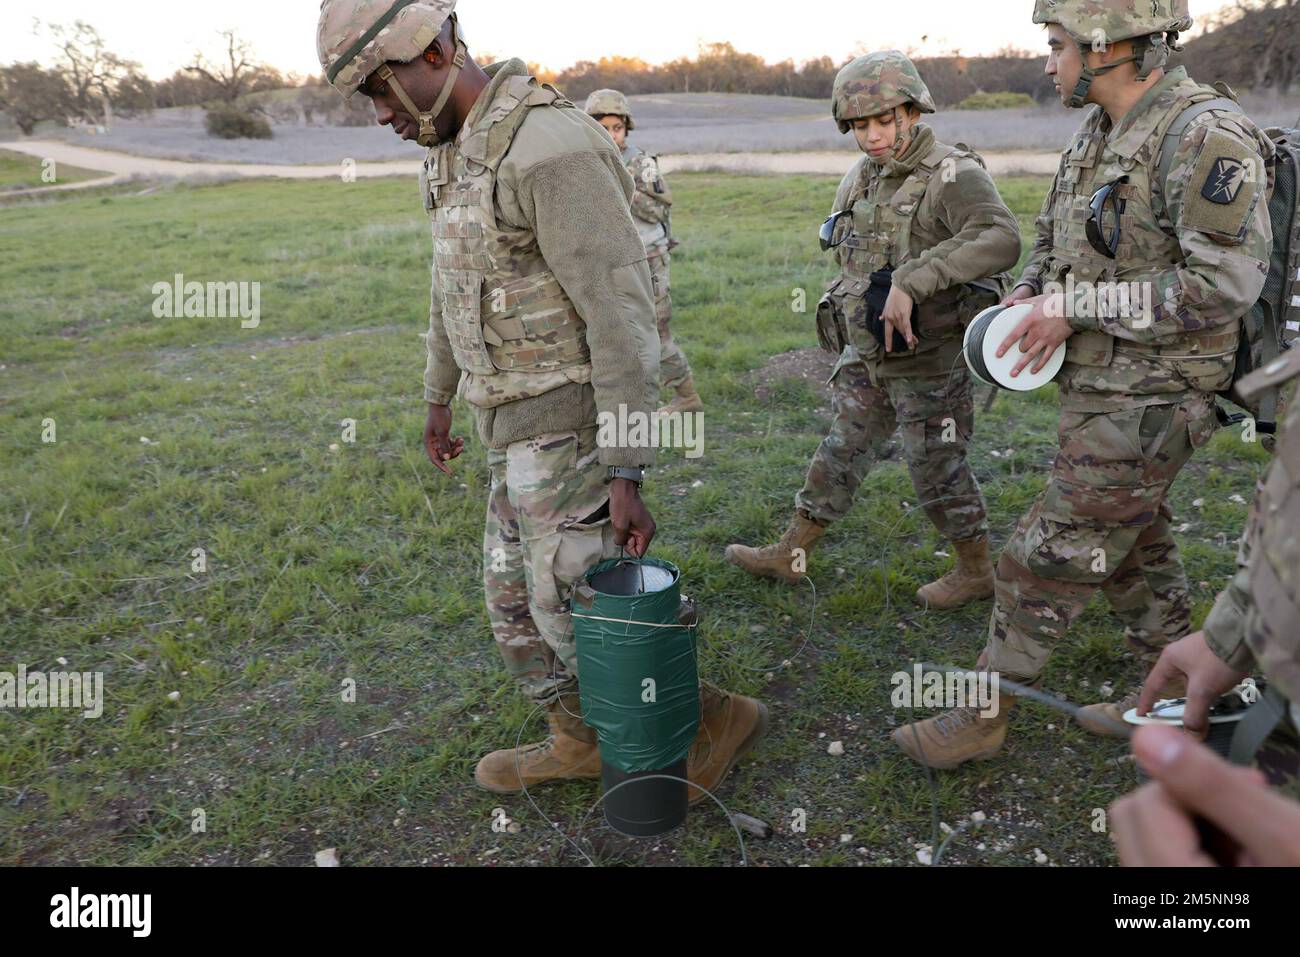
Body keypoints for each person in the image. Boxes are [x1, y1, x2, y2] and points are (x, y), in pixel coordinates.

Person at [315, 0, 767, 799]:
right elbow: (449, 284)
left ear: (439, 50)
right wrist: (438, 395)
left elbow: (622, 316)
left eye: (384, 90)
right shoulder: (453, 148)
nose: (381, 114)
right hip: (510, 424)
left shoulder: (548, 149)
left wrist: (626, 468)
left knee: (584, 611)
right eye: (369, 99)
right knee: (514, 606)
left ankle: (709, 719)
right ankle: (582, 737)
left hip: (573, 426)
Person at [894, 0, 1275, 768]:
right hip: (1104, 385)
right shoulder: (1100, 131)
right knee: (1132, 548)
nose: (1048, 62)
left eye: (1058, 45)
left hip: (1161, 393)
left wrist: (1074, 307)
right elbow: (1054, 240)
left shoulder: (1204, 137)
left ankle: (983, 714)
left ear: (1111, 48)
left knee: (1047, 554)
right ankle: (1181, 704)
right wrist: (1030, 291)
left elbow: (1225, 283)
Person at [724, 50, 1021, 611]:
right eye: (860, 126)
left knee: (937, 466)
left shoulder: (954, 173)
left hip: (930, 358)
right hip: (870, 353)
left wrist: (915, 278)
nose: (873, 136)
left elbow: (1002, 238)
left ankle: (977, 570)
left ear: (913, 111)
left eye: (885, 121)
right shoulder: (864, 176)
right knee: (842, 448)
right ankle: (793, 550)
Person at [585, 88, 702, 417]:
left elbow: (659, 209)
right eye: (602, 127)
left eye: (616, 128)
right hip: (607, 260)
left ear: (626, 128)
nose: (610, 135)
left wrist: (620, 185)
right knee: (611, 334)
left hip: (648, 258)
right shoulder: (586, 161)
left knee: (656, 332)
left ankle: (687, 397)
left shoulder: (640, 162)